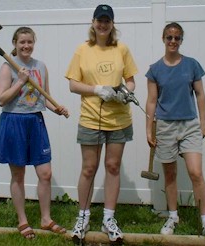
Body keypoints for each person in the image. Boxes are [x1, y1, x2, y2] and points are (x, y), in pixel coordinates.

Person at [65, 4, 138, 243]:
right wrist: (97, 89)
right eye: (100, 20)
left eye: (107, 21)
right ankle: (83, 217)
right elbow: (73, 85)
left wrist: (124, 92)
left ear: (112, 24)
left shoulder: (122, 49)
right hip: (90, 118)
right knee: (89, 168)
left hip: (118, 119)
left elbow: (131, 81)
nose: (103, 25)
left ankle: (108, 219)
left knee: (113, 166)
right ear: (93, 22)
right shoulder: (82, 50)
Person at [145, 22, 205, 239]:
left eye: (177, 38)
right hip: (165, 126)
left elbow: (200, 95)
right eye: (169, 37)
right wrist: (148, 130)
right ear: (163, 39)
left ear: (181, 40)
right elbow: (151, 101)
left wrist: (203, 122)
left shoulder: (192, 65)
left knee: (196, 173)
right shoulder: (155, 70)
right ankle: (173, 216)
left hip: (189, 126)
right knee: (170, 174)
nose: (173, 41)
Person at [0, 26, 69, 239]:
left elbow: (44, 97)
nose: (26, 46)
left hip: (36, 121)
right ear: (15, 44)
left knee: (45, 173)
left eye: (29, 42)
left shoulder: (40, 66)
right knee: (18, 175)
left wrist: (56, 108)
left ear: (33, 43)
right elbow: (1, 99)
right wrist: (19, 81)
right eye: (22, 42)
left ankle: (46, 219)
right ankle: (22, 221)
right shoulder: (7, 67)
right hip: (14, 121)